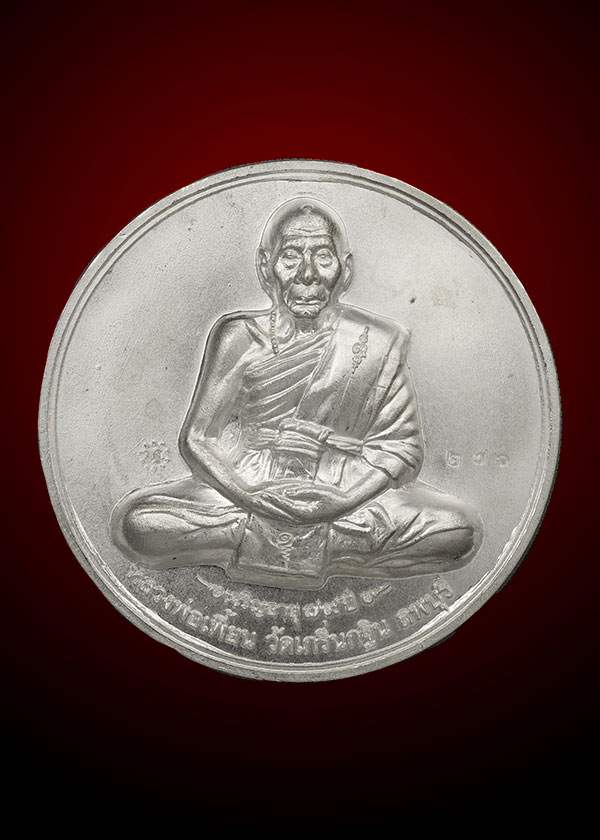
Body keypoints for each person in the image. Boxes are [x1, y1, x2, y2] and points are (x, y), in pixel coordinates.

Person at [111, 197, 482, 588]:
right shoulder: (239, 335)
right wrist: (249, 495)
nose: (307, 274)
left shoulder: (376, 341)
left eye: (323, 257)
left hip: (344, 487)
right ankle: (319, 539)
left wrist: (343, 502)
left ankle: (274, 535)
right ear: (265, 267)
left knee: (457, 530)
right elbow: (198, 439)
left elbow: (402, 450)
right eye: (290, 257)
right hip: (247, 484)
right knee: (140, 523)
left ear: (345, 269)